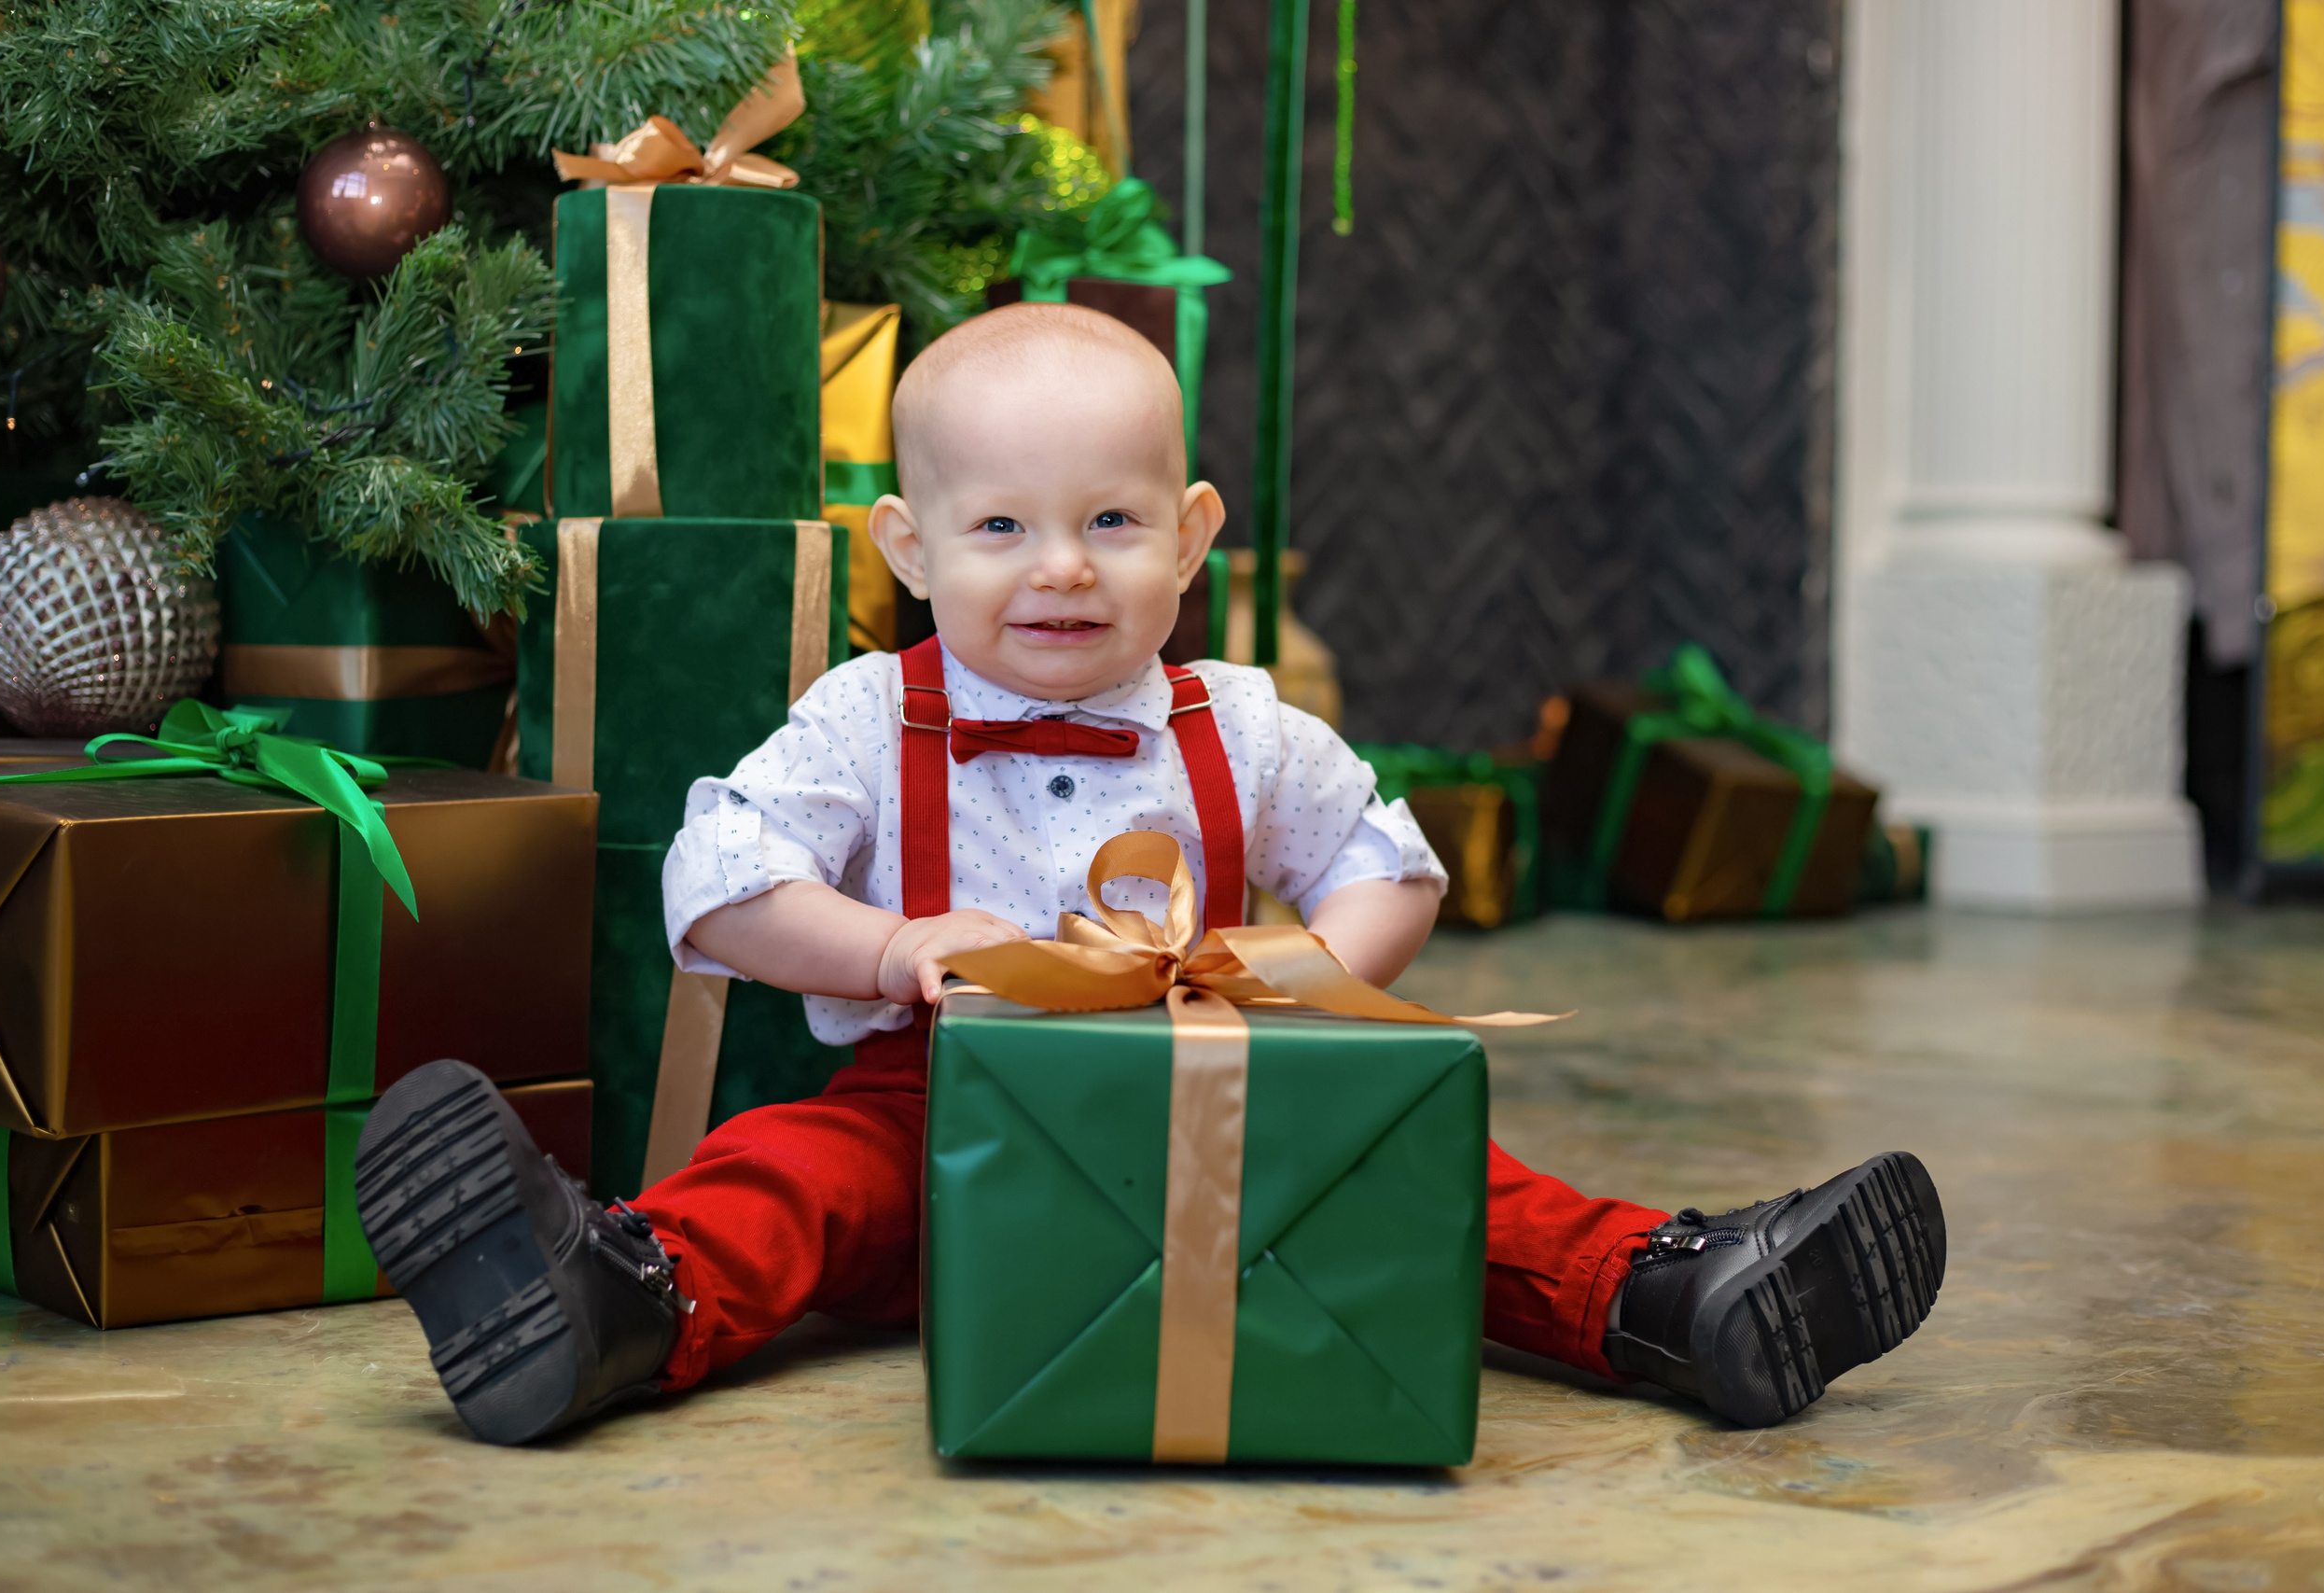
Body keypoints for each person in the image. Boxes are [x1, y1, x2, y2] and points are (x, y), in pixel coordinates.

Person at [354, 303, 1947, 1447]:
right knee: (799, 1177)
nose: (1061, 566)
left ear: (1190, 538)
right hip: (947, 1102)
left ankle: (1680, 1298)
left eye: (1112, 521)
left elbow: (1391, 859)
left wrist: (1313, 969)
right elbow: (716, 879)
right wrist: (894, 946)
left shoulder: (1236, 722)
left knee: (1439, 1190)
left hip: (1214, 1097)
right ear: (908, 549)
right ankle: (618, 1299)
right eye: (1002, 526)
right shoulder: (869, 713)